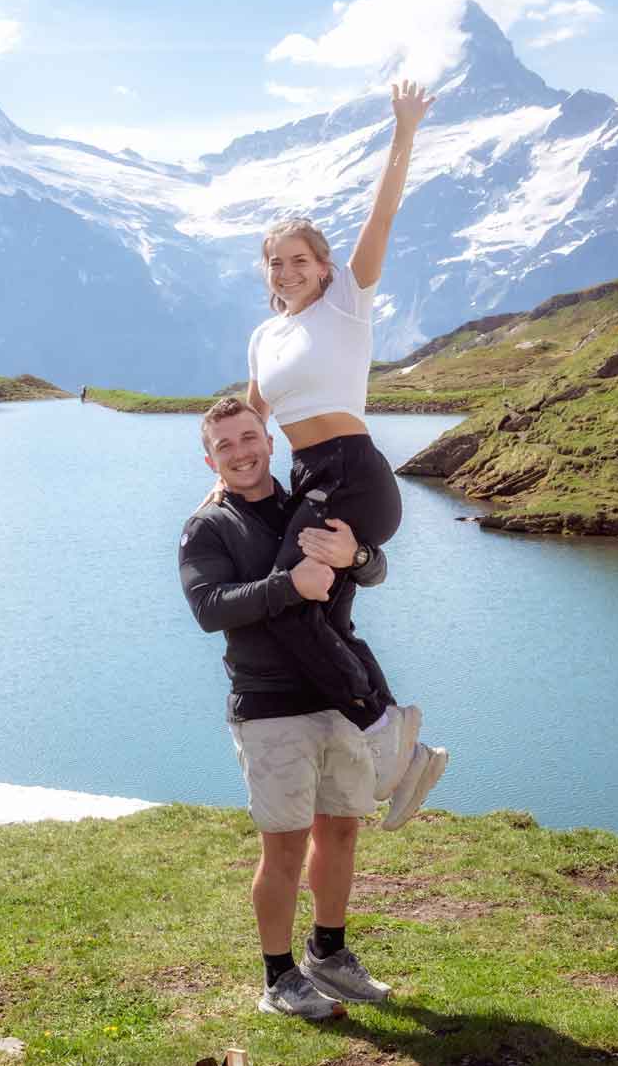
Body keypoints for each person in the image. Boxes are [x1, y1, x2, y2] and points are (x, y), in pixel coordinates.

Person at [179, 397, 446, 1021]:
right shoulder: (208, 525)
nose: (242, 452)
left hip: (334, 701)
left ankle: (329, 954)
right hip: (269, 706)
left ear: (269, 440)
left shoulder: (309, 499)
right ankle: (279, 977)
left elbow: (373, 569)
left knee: (344, 829)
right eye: (226, 446)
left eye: (250, 438)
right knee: (286, 847)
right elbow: (209, 607)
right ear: (210, 457)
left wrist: (356, 554)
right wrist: (287, 585)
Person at [243, 79, 445, 815]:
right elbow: (252, 415)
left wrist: (403, 130)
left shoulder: (346, 303)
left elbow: (382, 211)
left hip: (353, 475)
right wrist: (219, 482)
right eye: (276, 263)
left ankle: (393, 735)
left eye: (300, 260)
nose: (289, 272)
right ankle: (393, 766)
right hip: (308, 477)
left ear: (322, 267)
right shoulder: (266, 335)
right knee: (323, 621)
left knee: (292, 607)